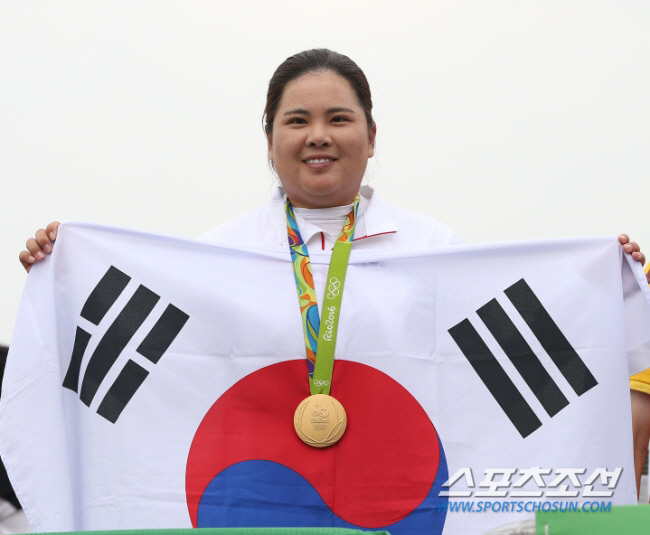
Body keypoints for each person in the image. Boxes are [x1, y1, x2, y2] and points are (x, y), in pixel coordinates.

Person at [16, 49, 649, 276]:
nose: (318, 136)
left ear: (372, 137)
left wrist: (602, 281)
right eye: (297, 121)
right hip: (259, 501)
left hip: (398, 499)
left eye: (339, 119)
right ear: (269, 141)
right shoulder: (215, 256)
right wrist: (62, 268)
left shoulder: (436, 248)